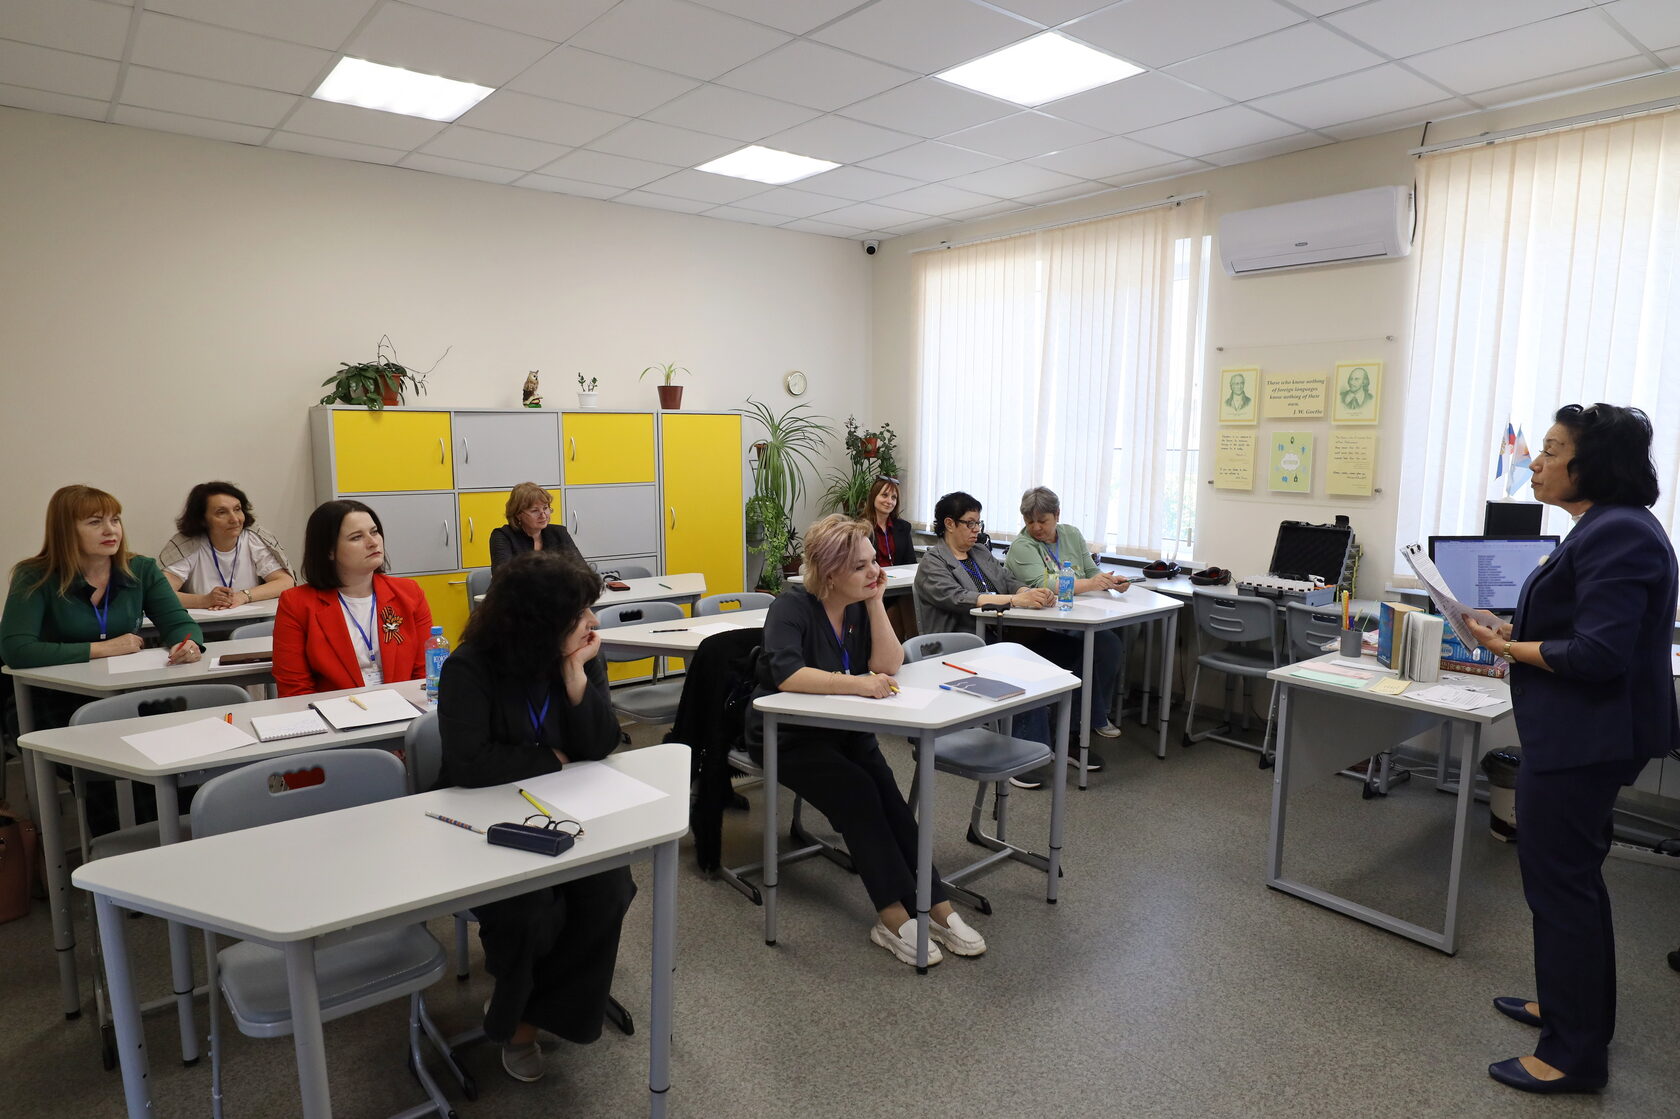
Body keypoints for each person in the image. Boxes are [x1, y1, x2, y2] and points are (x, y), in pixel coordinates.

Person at [1463, 404, 1679, 1096]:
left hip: (1585, 740)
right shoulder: (1603, 527)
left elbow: (1597, 654)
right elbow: (1578, 625)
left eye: (1552, 451)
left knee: (1562, 888)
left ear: (1592, 466)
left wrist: (1507, 649)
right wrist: (1512, 631)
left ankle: (1574, 1054)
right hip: (1581, 734)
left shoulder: (1620, 534)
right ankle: (1566, 1009)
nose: (1536, 461)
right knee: (1570, 882)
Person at [748, 514, 986, 967]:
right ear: (828, 572)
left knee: (889, 799)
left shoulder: (859, 603)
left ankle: (934, 904)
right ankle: (892, 916)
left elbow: (889, 664)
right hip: (788, 735)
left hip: (845, 729)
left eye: (873, 561)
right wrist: (857, 683)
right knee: (858, 793)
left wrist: (876, 602)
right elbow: (788, 674)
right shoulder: (791, 607)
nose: (873, 571)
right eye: (860, 566)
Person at [437, 551, 635, 1083]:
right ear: (537, 621)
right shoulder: (469, 667)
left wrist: (574, 676)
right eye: (578, 613)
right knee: (529, 909)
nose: (592, 622)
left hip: (561, 811)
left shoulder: (578, 656)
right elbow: (470, 764)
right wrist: (554, 757)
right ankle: (519, 1020)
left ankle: (531, 1010)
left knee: (610, 889)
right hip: (481, 820)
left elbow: (601, 743)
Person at [913, 491, 1097, 784]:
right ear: (949, 523)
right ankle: (1024, 752)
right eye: (970, 523)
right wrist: (1014, 600)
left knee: (1074, 652)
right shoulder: (933, 562)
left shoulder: (980, 552)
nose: (976, 530)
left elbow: (1007, 580)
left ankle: (1066, 736)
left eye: (978, 523)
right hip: (964, 644)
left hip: (1002, 633)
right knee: (1021, 667)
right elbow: (959, 598)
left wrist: (1028, 592)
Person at [2, 484, 204, 676]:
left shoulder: (141, 569)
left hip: (126, 684)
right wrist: (103, 648)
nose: (111, 530)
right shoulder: (34, 575)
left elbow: (179, 625)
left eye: (115, 520)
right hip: (56, 690)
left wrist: (187, 644)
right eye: (95, 522)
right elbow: (17, 650)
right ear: (66, 531)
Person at [1004, 486, 1128, 741]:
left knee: (1110, 646)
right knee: (1092, 647)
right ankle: (1075, 722)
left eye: (1042, 521)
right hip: (1042, 621)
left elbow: (1091, 570)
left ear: (1057, 515)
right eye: (1029, 521)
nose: (1036, 527)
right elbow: (1043, 583)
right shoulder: (1022, 545)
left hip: (1080, 613)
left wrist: (1110, 582)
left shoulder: (1071, 534)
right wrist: (1092, 584)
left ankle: (1096, 713)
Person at [272, 500, 431, 697]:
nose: (373, 542)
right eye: (356, 537)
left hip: (405, 707)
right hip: (335, 711)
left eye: (374, 532)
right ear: (329, 551)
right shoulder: (296, 604)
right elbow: (295, 689)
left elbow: (425, 674)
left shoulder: (409, 593)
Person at [157, 481, 295, 609]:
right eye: (222, 512)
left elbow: (285, 582)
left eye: (237, 509)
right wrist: (204, 600)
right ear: (202, 519)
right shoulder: (188, 544)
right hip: (202, 623)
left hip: (250, 619)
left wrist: (244, 596)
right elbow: (160, 594)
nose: (234, 519)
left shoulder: (253, 538)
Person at [863, 474, 917, 638]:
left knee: (907, 599)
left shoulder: (903, 527)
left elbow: (911, 562)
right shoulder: (860, 527)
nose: (889, 501)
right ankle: (912, 645)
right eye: (884, 495)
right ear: (874, 496)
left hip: (899, 587)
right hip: (874, 584)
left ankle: (910, 644)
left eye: (893, 497)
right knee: (898, 609)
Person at [488, 483, 586, 571]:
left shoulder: (559, 532)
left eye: (545, 508)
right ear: (518, 514)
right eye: (535, 511)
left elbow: (582, 570)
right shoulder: (502, 536)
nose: (543, 515)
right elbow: (503, 576)